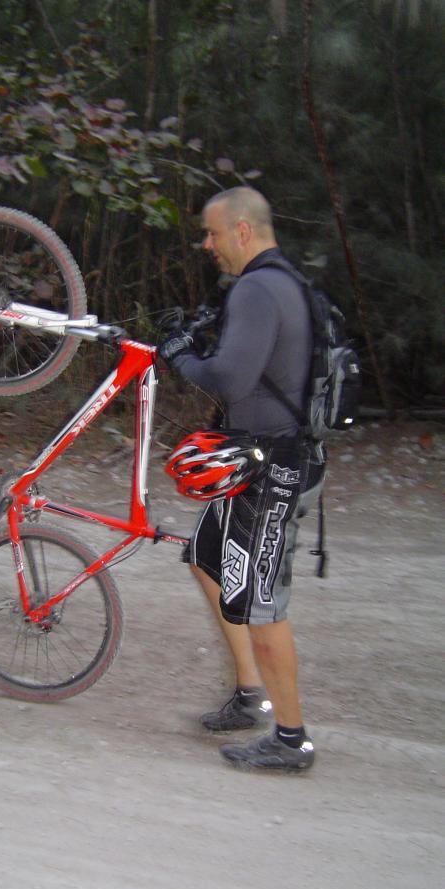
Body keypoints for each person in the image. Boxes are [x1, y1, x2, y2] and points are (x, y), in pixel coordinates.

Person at [158, 186, 325, 771]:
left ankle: (290, 737)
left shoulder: (258, 288)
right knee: (206, 558)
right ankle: (251, 693)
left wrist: (177, 357)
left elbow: (228, 381)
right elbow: (252, 370)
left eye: (212, 233)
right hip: (250, 460)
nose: (208, 244)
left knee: (261, 604)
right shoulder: (282, 284)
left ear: (243, 231)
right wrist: (197, 344)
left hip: (272, 470)